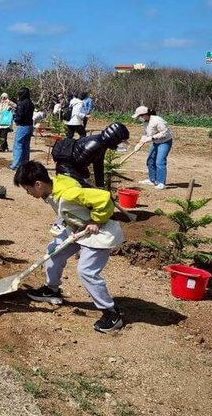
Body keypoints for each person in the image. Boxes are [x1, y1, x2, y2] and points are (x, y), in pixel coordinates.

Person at [14, 161, 125, 333]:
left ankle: (111, 313)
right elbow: (70, 210)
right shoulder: (53, 188)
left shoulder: (68, 193)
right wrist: (66, 223)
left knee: (86, 271)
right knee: (53, 252)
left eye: (28, 189)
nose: (28, 193)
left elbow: (104, 198)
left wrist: (96, 219)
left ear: (38, 184)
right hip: (77, 229)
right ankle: (51, 290)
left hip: (98, 233)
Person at [53, 123, 130, 188]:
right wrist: (85, 184)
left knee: (87, 182)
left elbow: (99, 166)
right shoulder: (95, 144)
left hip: (74, 165)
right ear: (114, 138)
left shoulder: (102, 144)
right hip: (66, 166)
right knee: (82, 189)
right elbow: (78, 163)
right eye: (119, 142)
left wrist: (100, 186)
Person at [133, 106, 173, 190]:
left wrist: (152, 138)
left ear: (145, 114)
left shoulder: (157, 120)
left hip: (164, 142)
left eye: (140, 116)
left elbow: (165, 133)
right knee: (150, 160)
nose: (139, 118)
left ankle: (161, 183)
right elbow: (145, 134)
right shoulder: (145, 122)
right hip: (155, 142)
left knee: (160, 161)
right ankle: (152, 180)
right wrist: (139, 144)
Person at [9, 87, 35, 170]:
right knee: (26, 146)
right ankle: (25, 164)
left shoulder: (21, 103)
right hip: (30, 126)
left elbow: (20, 116)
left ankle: (16, 165)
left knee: (18, 146)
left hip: (22, 126)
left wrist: (15, 118)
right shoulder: (31, 103)